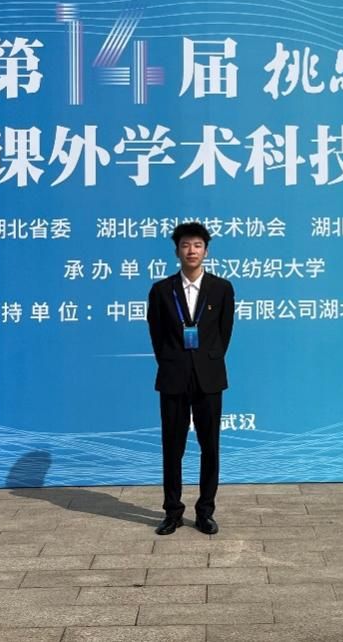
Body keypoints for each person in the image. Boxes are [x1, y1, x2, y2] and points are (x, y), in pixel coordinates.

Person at [146, 221, 234, 535]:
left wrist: (206, 361)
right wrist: (175, 362)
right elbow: (157, 335)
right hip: (174, 377)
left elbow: (224, 334)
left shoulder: (221, 289)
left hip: (209, 379)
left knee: (210, 447)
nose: (191, 251)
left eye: (197, 245)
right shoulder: (161, 290)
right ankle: (172, 512)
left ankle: (205, 511)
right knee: (173, 448)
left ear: (206, 251)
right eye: (185, 245)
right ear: (177, 251)